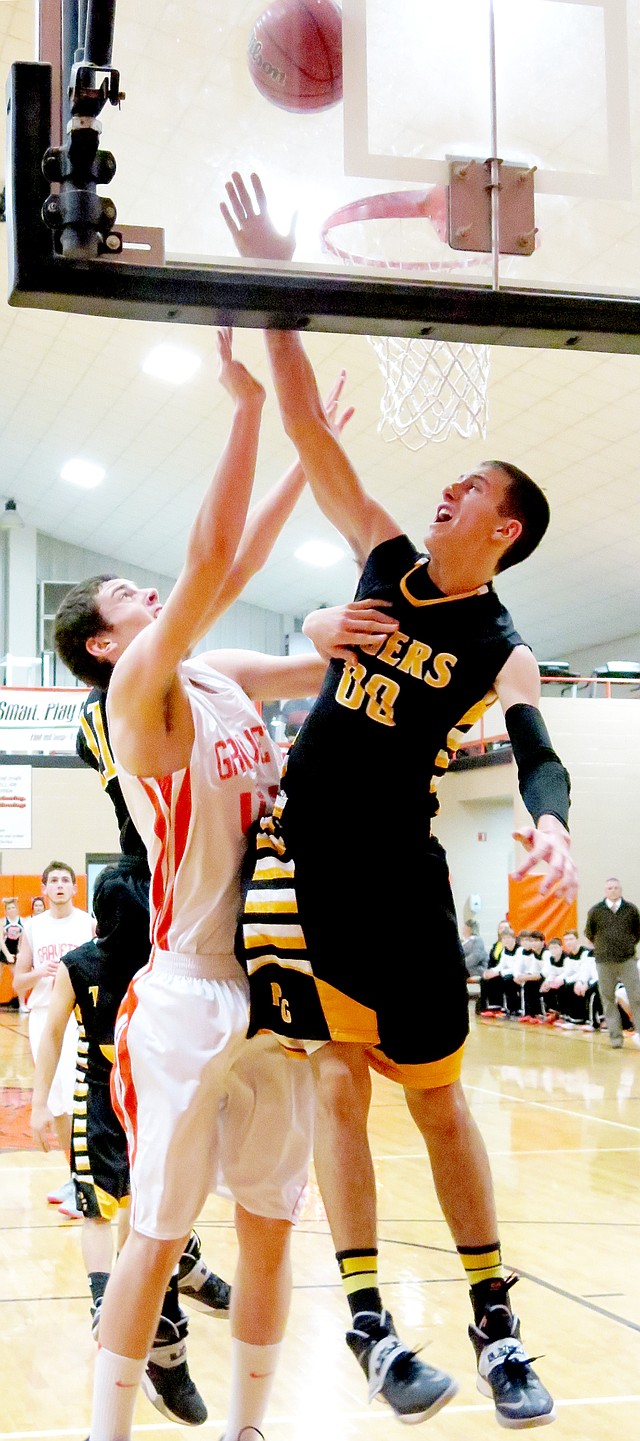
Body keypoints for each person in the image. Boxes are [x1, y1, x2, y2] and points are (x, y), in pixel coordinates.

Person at [224, 171, 577, 1430]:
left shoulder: (499, 641)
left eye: (473, 487)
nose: (449, 490)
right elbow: (311, 429)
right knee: (336, 1083)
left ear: (508, 525)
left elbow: (536, 751)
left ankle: (496, 1322)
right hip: (308, 871)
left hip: (400, 873)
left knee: (437, 1099)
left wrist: (547, 819)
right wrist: (276, 279)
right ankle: (370, 1321)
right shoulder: (379, 558)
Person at [53, 330, 390, 1441]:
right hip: (187, 987)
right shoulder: (136, 694)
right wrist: (252, 410)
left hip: (278, 981)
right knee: (156, 1235)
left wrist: (312, 454)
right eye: (119, 594)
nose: (141, 590)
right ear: (105, 645)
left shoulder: (217, 670)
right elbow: (217, 566)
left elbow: (323, 664)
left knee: (269, 1226)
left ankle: (249, 1432)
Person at [29, 860, 230, 1426]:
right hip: (100, 1091)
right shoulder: (80, 966)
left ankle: (176, 1271)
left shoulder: (159, 964)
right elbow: (48, 1032)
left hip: (151, 1090)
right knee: (100, 1204)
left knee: (150, 1202)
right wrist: (43, 1100)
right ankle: (105, 1299)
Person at [14, 860, 93, 1217]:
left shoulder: (88, 923)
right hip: (43, 1018)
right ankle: (76, 1176)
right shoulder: (32, 928)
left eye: (65, 880)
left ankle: (90, 1182)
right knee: (58, 1101)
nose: (59, 886)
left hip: (79, 1018)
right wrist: (39, 973)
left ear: (74, 888)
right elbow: (18, 982)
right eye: (54, 881)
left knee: (80, 1099)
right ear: (44, 889)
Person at [584, 879, 640, 1049]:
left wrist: (627, 945)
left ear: (620, 890)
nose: (613, 891)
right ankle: (616, 1038)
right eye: (610, 888)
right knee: (608, 999)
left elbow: (637, 932)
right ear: (605, 890)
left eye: (616, 888)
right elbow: (590, 933)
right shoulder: (595, 911)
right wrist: (603, 947)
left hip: (627, 960)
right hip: (604, 962)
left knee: (636, 997)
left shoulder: (631, 910)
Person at [479, 928, 519, 1017]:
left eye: (508, 938)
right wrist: (490, 971)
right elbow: (501, 965)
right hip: (506, 973)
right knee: (487, 980)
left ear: (514, 939)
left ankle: (513, 1008)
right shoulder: (505, 951)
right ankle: (494, 1007)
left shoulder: (519, 950)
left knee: (506, 979)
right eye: (504, 939)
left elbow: (516, 968)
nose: (506, 941)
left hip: (517, 974)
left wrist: (499, 973)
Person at [0, 897, 23, 1009]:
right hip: (4, 950)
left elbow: (24, 939)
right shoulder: (3, 921)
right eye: (9, 908)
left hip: (16, 951)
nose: (11, 910)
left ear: (17, 908)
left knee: (18, 978)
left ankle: (22, 1003)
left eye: (13, 907)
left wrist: (20, 952)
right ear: (6, 910)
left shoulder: (23, 921)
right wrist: (7, 954)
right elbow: (0, 940)